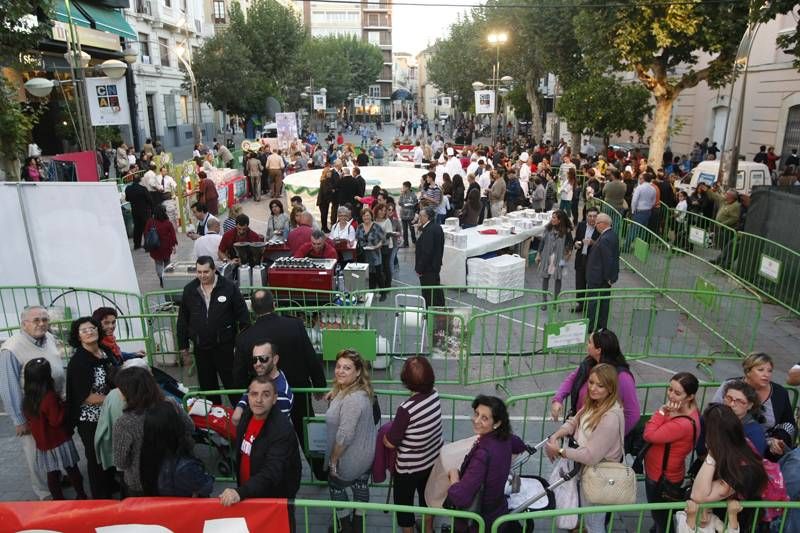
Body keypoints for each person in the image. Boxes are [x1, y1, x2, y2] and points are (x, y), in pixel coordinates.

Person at [232, 290, 327, 480]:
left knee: (268, 437)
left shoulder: (245, 337)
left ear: (252, 309)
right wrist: (319, 385)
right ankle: (320, 471)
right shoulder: (294, 325)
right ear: (273, 304)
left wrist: (242, 402)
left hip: (263, 398)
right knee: (305, 432)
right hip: (298, 391)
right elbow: (310, 356)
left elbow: (239, 375)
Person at [545, 364, 625, 533]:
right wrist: (556, 436)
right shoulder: (594, 403)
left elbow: (591, 455)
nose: (593, 388)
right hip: (586, 471)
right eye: (591, 382)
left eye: (600, 385)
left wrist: (560, 452)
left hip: (599, 476)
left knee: (594, 524)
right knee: (588, 519)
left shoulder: (610, 417)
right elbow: (574, 421)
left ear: (611, 388)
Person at [0, 307, 66, 500]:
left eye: (45, 319)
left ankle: (56, 477)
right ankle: (44, 492)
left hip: (52, 407)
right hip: (33, 414)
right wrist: (19, 420)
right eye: (36, 320)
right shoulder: (11, 348)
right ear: (24, 323)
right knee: (34, 452)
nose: (41, 323)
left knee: (53, 444)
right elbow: (8, 386)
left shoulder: (49, 338)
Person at [447, 395, 526, 532]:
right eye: (476, 414)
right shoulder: (505, 437)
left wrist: (453, 475)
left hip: (479, 522)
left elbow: (460, 497)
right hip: (498, 511)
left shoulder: (483, 454)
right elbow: (519, 445)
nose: (476, 420)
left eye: (484, 418)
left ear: (497, 423)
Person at [176, 256, 250, 405]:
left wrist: (242, 345)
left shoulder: (229, 287)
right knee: (208, 389)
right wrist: (183, 347)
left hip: (225, 349)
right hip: (201, 349)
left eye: (206, 272)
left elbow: (243, 316)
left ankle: (242, 415)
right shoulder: (190, 290)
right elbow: (183, 320)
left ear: (214, 270)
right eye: (199, 272)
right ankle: (216, 420)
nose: (202, 276)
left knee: (233, 386)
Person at [219, 376, 301, 508]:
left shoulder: (282, 430)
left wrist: (240, 492)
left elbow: (272, 471)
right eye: (254, 394)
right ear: (248, 397)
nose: (258, 400)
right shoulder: (246, 416)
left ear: (274, 399)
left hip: (273, 501)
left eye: (266, 395)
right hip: (249, 494)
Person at [384, 357, 443, 533]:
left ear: (406, 381)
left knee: (404, 505)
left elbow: (390, 442)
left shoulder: (406, 409)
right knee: (428, 499)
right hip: (431, 461)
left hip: (408, 468)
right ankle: (428, 529)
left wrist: (384, 436)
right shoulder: (435, 395)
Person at [689, 404, 767, 531]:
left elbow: (698, 495)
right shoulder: (739, 447)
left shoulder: (744, 468)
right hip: (723, 520)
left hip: (737, 524)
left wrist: (712, 453)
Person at [65, 316, 118, 499]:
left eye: (92, 328)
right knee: (96, 458)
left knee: (110, 452)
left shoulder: (103, 351)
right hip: (90, 419)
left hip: (109, 413)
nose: (89, 332)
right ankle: (101, 497)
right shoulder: (79, 361)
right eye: (84, 330)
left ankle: (111, 485)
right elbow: (87, 396)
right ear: (78, 337)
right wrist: (117, 399)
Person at [550, 329, 641, 434]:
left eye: (589, 342)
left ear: (598, 350)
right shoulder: (589, 362)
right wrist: (558, 399)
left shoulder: (623, 377)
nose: (592, 388)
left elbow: (633, 414)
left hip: (598, 437)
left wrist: (613, 436)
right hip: (581, 429)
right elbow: (572, 379)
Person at [710, 352, 796, 462]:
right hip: (727, 444)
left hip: (766, 453)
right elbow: (714, 412)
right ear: (748, 371)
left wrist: (779, 439)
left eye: (769, 371)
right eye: (761, 370)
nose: (766, 374)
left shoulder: (780, 393)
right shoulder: (730, 385)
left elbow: (788, 422)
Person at [643, 372, 701, 533]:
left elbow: (649, 434)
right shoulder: (690, 412)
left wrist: (661, 412)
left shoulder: (682, 424)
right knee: (661, 516)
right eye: (670, 389)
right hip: (669, 472)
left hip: (660, 476)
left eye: (677, 393)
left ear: (690, 397)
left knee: (661, 518)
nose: (671, 395)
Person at [22, 357, 87, 500]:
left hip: (43, 445)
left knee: (52, 474)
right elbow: (56, 420)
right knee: (72, 470)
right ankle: (81, 496)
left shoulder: (27, 398)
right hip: (60, 441)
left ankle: (58, 500)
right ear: (46, 377)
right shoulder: (49, 397)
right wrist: (64, 405)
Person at [140, 399, 214, 497]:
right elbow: (206, 486)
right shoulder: (185, 466)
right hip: (189, 508)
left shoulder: (145, 456)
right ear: (175, 426)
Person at [112, 367, 164, 496]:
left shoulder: (124, 423)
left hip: (139, 482)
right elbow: (189, 429)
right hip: (174, 475)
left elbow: (120, 462)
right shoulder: (171, 405)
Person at [698, 380, 767, 457]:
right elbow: (700, 448)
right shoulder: (710, 416)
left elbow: (751, 463)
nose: (732, 404)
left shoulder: (753, 433)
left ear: (750, 405)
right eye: (728, 398)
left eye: (739, 401)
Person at [231, 340, 293, 426]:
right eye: (254, 360)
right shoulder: (269, 376)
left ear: (275, 360)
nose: (258, 364)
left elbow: (275, 430)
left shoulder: (280, 393)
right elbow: (250, 390)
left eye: (263, 359)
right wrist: (240, 407)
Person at [585, 213, 620, 332]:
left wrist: (608, 277)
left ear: (603, 224)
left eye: (597, 223)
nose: (595, 225)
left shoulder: (605, 238)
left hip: (598, 278)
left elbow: (608, 259)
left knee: (594, 303)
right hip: (602, 277)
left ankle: (592, 327)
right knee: (603, 302)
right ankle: (601, 326)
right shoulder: (611, 235)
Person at [535, 210, 574, 303]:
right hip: (547, 257)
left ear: (559, 220)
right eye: (552, 217)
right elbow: (542, 242)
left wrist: (569, 251)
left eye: (554, 217)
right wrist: (538, 254)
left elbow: (570, 243)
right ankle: (544, 300)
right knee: (545, 277)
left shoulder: (566, 231)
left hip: (561, 258)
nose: (552, 219)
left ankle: (556, 301)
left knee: (558, 278)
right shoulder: (548, 228)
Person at [415, 206, 445, 309]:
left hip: (428, 269)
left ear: (427, 217)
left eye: (421, 216)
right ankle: (440, 309)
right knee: (436, 290)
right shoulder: (437, 227)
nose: (419, 218)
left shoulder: (428, 230)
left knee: (428, 294)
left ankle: (430, 314)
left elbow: (426, 252)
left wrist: (419, 268)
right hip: (435, 266)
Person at [143, 205, 177, 287]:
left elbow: (145, 233)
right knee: (167, 262)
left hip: (155, 248)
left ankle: (161, 278)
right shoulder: (168, 223)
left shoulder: (150, 222)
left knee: (158, 263)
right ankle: (167, 277)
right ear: (164, 212)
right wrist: (173, 246)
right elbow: (173, 235)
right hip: (166, 247)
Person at [573, 207, 599, 313]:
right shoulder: (582, 225)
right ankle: (581, 304)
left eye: (594, 216)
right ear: (586, 216)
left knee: (591, 283)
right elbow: (576, 239)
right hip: (581, 257)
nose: (592, 218)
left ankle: (590, 306)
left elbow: (603, 245)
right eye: (590, 216)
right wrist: (576, 244)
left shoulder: (599, 228)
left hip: (592, 260)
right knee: (580, 282)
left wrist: (593, 243)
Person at [355, 207, 386, 292]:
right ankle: (371, 292)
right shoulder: (360, 227)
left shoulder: (376, 226)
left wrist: (376, 246)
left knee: (378, 274)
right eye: (364, 216)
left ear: (371, 216)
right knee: (369, 275)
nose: (366, 217)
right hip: (363, 255)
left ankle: (383, 293)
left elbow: (383, 239)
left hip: (375, 254)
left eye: (368, 215)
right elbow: (356, 239)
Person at [125, 173, 153, 250]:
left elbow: (127, 199)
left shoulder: (128, 188)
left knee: (137, 228)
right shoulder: (143, 189)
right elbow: (150, 200)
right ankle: (147, 245)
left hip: (134, 211)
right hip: (144, 212)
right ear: (140, 180)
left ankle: (136, 244)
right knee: (146, 228)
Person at [374, 204, 394, 299]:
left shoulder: (387, 221)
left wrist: (380, 241)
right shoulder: (373, 220)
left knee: (385, 266)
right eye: (381, 210)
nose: (382, 212)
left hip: (385, 246)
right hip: (375, 247)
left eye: (384, 210)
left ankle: (387, 286)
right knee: (378, 267)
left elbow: (388, 234)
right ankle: (380, 285)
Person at [399, 181, 419, 246]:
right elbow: (399, 202)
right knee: (404, 230)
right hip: (403, 214)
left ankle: (414, 241)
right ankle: (405, 243)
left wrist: (410, 205)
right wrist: (404, 204)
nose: (403, 188)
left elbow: (416, 203)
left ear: (407, 187)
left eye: (404, 187)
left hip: (411, 214)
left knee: (412, 228)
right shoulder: (402, 194)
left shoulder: (413, 195)